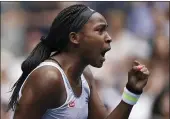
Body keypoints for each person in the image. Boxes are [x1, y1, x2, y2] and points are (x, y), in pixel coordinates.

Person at [8, 4, 150, 119]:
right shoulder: (49, 78)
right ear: (74, 38)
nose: (109, 37)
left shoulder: (85, 76)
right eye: (100, 31)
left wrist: (132, 92)